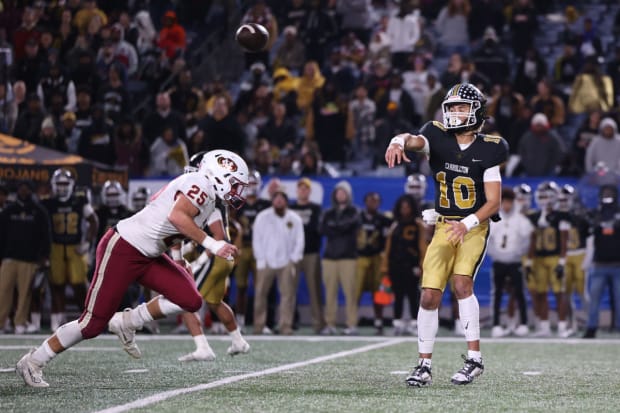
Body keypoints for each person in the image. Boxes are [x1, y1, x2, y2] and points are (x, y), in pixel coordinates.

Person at [16, 150, 248, 388]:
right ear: (219, 174)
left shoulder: (205, 196)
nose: (238, 191)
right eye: (235, 184)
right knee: (92, 324)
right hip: (123, 248)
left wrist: (178, 261)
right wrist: (212, 244)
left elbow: (174, 226)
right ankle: (33, 361)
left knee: (191, 299)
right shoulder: (200, 183)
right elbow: (178, 217)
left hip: (149, 255)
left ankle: (127, 321)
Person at [385, 83, 508, 386]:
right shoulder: (436, 135)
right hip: (443, 225)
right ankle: (423, 364)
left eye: (461, 108)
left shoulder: (491, 146)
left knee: (462, 282)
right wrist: (397, 140)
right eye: (451, 107)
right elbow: (414, 139)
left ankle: (474, 359)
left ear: (476, 111)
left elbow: (493, 201)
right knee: (428, 294)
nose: (454, 113)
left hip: (473, 226)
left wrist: (465, 224)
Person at [175, 151, 250, 360]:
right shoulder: (215, 196)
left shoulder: (210, 197)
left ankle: (202, 347)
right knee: (215, 302)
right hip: (222, 256)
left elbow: (216, 235)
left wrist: (202, 257)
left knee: (185, 300)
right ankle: (238, 341)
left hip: (215, 255)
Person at [41, 168, 99, 332]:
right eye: (59, 184)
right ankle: (58, 318)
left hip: (75, 247)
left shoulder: (79, 201)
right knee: (56, 284)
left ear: (71, 184)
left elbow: (94, 220)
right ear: (53, 185)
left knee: (79, 284)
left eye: (65, 183)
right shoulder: (48, 203)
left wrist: (87, 242)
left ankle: (87, 317)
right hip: (55, 247)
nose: (62, 187)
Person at [252, 186, 305, 335]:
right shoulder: (262, 217)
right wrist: (260, 259)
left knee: (288, 296)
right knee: (260, 294)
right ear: (272, 200)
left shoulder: (295, 219)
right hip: (266, 261)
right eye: (276, 198)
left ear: (286, 201)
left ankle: (285, 326)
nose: (279, 200)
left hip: (286, 262)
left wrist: (294, 259)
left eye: (282, 198)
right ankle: (259, 325)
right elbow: (257, 240)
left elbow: (300, 241)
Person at [0, 181, 51, 334]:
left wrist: (44, 256)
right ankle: (1, 323)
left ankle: (20, 322)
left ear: (31, 190)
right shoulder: (9, 211)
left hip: (30, 259)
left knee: (25, 294)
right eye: (21, 188)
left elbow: (46, 235)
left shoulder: (39, 211)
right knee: (3, 291)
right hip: (9, 258)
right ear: (17, 191)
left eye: (26, 188)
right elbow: (1, 235)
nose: (23, 191)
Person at [524, 181, 573, 338]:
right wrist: (530, 261)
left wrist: (562, 262)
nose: (545, 199)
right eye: (542, 196)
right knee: (540, 293)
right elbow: (531, 240)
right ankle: (544, 327)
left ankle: (562, 326)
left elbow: (565, 241)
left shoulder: (562, 216)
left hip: (554, 258)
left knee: (560, 293)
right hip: (538, 259)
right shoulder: (535, 217)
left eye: (547, 196)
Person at [487, 187, 533, 338]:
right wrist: (496, 254)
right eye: (504, 202)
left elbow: (527, 240)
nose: (506, 205)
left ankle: (524, 324)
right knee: (497, 293)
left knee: (519, 292)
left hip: (515, 261)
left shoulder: (521, 220)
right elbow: (488, 240)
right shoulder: (493, 219)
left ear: (513, 203)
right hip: (499, 261)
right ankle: (496, 324)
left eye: (509, 202)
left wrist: (517, 254)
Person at [320, 181, 361, 335]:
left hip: (348, 257)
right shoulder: (328, 213)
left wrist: (335, 227)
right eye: (338, 192)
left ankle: (351, 324)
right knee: (330, 293)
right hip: (330, 257)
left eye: (343, 192)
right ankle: (330, 323)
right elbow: (322, 229)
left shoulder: (354, 212)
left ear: (348, 195)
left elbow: (349, 226)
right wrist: (340, 228)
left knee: (350, 292)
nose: (340, 195)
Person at [382, 194, 426, 336]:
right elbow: (388, 246)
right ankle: (397, 323)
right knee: (398, 295)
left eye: (407, 207)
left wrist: (421, 265)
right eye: (402, 207)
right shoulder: (395, 224)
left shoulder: (418, 224)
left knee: (413, 295)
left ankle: (415, 323)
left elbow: (422, 246)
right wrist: (385, 265)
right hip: (396, 264)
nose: (404, 210)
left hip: (412, 265)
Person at [582, 185, 620, 338]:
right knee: (594, 300)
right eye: (605, 193)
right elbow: (588, 236)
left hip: (618, 265)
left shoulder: (618, 214)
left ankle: (618, 327)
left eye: (610, 193)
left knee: (619, 300)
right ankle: (591, 327)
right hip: (599, 265)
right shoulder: (596, 214)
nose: (608, 196)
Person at [289, 177, 325, 334]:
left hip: (311, 253)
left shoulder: (316, 208)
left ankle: (318, 324)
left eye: (306, 188)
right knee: (289, 290)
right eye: (300, 188)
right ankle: (288, 323)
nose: (303, 191)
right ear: (297, 191)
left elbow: (314, 228)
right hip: (292, 254)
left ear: (309, 191)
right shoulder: (290, 208)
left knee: (315, 290)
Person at [356, 192, 392, 335]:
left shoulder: (384, 219)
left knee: (379, 291)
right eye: (370, 200)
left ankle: (379, 321)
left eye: (376, 201)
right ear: (365, 202)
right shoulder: (358, 218)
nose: (373, 203)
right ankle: (352, 322)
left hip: (377, 257)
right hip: (360, 257)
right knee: (355, 290)